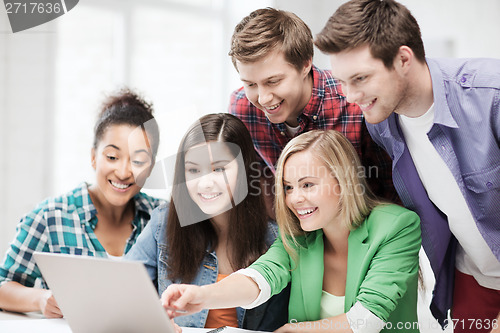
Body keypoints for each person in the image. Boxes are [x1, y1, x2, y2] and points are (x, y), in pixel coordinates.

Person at [313, 0, 500, 332]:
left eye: (360, 78)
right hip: (474, 277)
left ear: (403, 59)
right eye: (341, 81)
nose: (349, 95)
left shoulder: (491, 96)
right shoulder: (381, 123)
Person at [161, 130, 422, 333]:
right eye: (288, 187)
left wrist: (295, 330)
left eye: (307, 185)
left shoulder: (397, 227)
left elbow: (367, 319)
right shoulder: (300, 237)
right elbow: (259, 278)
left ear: (344, 182)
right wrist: (202, 296)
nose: (294, 199)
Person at [0, 89, 164, 318]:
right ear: (93, 157)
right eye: (112, 157)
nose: (124, 171)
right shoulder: (50, 217)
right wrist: (40, 299)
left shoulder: (162, 219)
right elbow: (3, 285)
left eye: (138, 161)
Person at [228, 7, 398, 219]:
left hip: (367, 229)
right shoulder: (243, 107)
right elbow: (261, 182)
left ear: (305, 64)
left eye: (273, 81)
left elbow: (392, 191)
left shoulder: (355, 103)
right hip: (296, 232)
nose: (263, 99)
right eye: (251, 84)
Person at [125, 113, 288, 330]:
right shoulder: (163, 223)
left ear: (245, 170)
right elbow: (121, 290)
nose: (205, 183)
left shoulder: (274, 240)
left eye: (219, 169)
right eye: (193, 170)